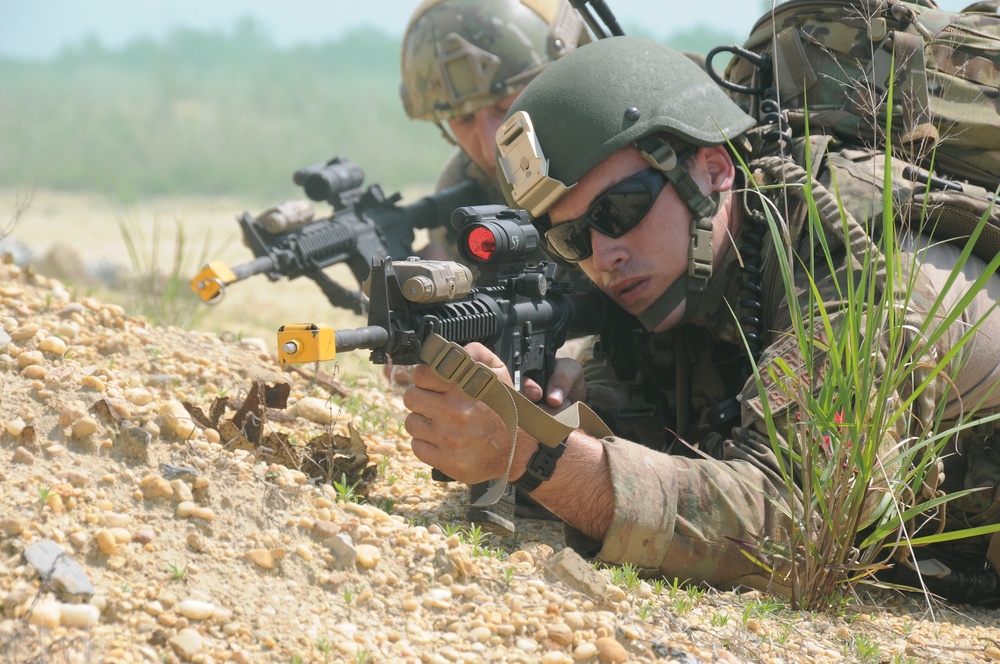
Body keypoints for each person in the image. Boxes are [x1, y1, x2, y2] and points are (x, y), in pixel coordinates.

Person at [400, 35, 1000, 603]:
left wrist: (537, 456)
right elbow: (679, 431)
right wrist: (568, 415)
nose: (602, 254)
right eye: (570, 239)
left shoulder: (854, 261)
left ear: (714, 170)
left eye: (618, 209)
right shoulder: (684, 269)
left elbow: (799, 526)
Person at [399, 0, 590, 261]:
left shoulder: (627, 152)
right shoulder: (463, 191)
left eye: (505, 109)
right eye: (463, 120)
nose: (492, 149)